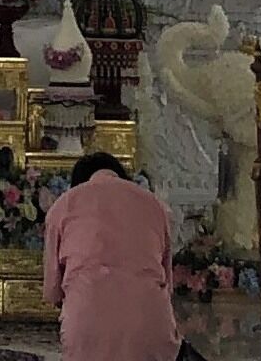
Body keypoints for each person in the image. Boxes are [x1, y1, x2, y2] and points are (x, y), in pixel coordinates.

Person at [42, 148, 180, 361]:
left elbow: (52, 290)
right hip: (151, 325)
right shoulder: (154, 205)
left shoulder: (64, 205)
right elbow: (167, 281)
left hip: (87, 327)